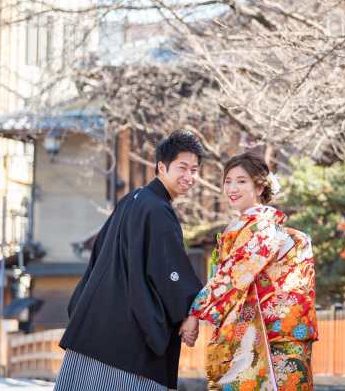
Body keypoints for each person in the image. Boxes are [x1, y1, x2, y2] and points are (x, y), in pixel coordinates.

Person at [55, 129, 206, 391]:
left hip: (95, 323)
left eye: (194, 170)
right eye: (182, 168)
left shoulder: (132, 199)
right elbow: (168, 271)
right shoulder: (157, 209)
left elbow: (98, 256)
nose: (189, 176)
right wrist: (191, 311)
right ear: (162, 167)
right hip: (127, 337)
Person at [183, 152, 318, 391]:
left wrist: (194, 315)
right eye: (228, 181)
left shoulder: (260, 227)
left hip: (272, 333)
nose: (232, 188)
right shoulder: (255, 225)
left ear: (259, 188)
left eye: (241, 181)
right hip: (272, 330)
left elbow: (232, 277)